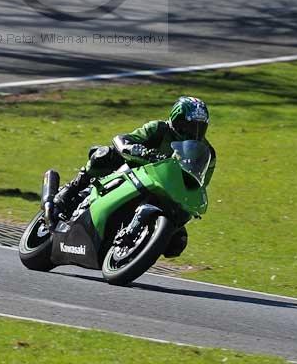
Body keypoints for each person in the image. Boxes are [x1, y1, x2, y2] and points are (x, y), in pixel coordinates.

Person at [54, 96, 216, 257]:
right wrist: (133, 149)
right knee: (104, 155)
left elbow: (200, 182)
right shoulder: (159, 129)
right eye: (187, 125)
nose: (192, 132)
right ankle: (71, 189)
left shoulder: (206, 151)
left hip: (169, 190)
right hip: (135, 172)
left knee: (177, 242)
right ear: (176, 119)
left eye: (199, 128)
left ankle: (138, 244)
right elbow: (123, 139)